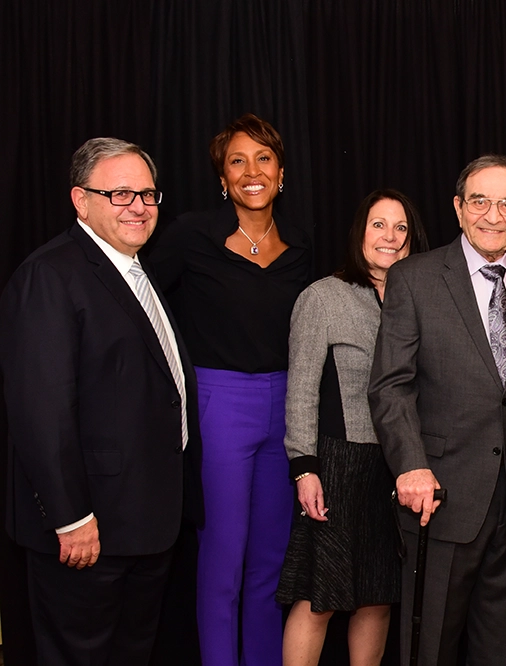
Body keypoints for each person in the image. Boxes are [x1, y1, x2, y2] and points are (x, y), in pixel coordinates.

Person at [368, 155, 506, 666]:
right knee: (430, 646)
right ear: (459, 208)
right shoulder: (414, 279)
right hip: (438, 495)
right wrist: (411, 464)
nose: (493, 215)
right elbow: (390, 386)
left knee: (503, 649)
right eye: (480, 201)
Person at [0, 138, 199, 665]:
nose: (138, 206)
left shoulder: (136, 272)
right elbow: (39, 410)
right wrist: (70, 517)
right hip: (88, 530)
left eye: (148, 194)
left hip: (145, 525)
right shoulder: (51, 275)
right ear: (80, 200)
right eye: (119, 194)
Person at [150, 113, 311, 666]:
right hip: (220, 405)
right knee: (222, 561)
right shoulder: (193, 235)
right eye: (236, 161)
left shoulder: (301, 248)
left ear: (281, 172)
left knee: (270, 565)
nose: (251, 171)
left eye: (263, 158)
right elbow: (139, 297)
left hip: (286, 409)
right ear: (222, 177)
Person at [277, 189, 429, 666]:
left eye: (400, 227)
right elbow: (300, 388)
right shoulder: (322, 296)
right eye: (378, 225)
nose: (390, 236)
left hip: (399, 467)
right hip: (338, 466)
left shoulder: (424, 299)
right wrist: (305, 469)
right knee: (319, 597)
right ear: (360, 232)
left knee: (378, 595)